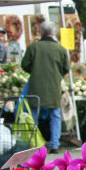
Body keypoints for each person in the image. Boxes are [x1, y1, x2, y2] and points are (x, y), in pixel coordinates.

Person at [21, 21, 70, 153]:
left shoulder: (33, 47)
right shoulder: (60, 49)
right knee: (55, 115)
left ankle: (34, 144)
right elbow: (66, 68)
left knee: (34, 116)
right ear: (53, 33)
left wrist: (35, 71)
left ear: (41, 32)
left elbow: (24, 64)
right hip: (54, 87)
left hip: (36, 86)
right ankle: (54, 145)